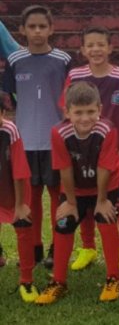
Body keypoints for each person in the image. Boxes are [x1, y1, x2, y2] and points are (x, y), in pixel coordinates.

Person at [35, 82, 119, 305]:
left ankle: (113, 278)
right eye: (79, 112)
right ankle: (58, 282)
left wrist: (102, 201)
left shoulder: (107, 129)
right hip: (75, 188)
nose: (85, 118)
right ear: (67, 112)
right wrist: (71, 202)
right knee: (63, 224)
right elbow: (64, 167)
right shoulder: (58, 132)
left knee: (106, 219)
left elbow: (104, 167)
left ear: (100, 109)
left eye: (91, 111)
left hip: (105, 186)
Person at [62, 26, 119, 271]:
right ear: (83, 50)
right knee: (85, 195)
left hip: (112, 151)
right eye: (91, 45)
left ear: (110, 47)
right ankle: (87, 247)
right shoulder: (75, 76)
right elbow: (66, 112)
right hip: (82, 151)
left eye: (101, 44)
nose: (96, 49)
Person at [2, 6, 71, 270]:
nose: (38, 31)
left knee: (56, 196)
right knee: (30, 198)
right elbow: (7, 99)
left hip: (55, 140)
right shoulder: (15, 60)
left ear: (51, 29)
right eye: (32, 27)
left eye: (43, 26)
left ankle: (56, 245)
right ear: (22, 30)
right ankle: (34, 247)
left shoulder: (63, 60)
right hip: (25, 142)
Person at [0, 90, 37, 302]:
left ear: (3, 112)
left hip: (13, 189)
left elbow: (19, 169)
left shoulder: (10, 130)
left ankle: (27, 280)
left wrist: (21, 203)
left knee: (23, 226)